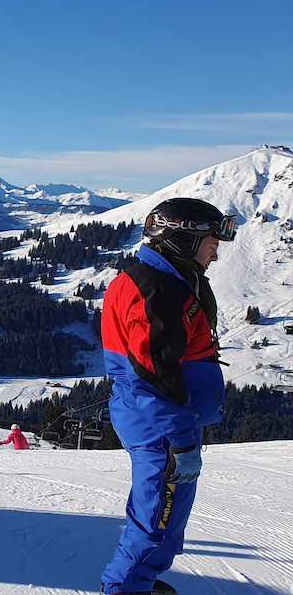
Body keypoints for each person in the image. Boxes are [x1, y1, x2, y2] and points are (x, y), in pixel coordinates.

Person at [99, 198, 233, 595]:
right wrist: (180, 440)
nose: (217, 249)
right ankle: (123, 589)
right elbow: (151, 379)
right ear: (182, 238)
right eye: (211, 240)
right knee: (156, 522)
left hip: (169, 422)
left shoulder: (170, 280)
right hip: (161, 426)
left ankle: (138, 582)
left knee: (165, 522)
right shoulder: (155, 291)